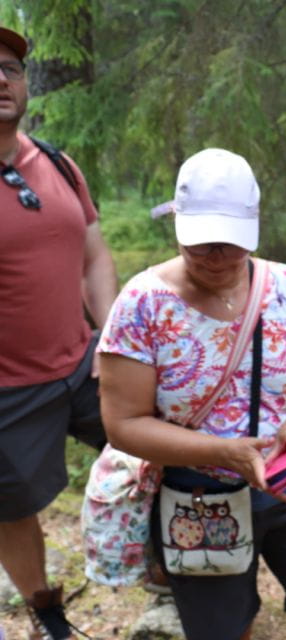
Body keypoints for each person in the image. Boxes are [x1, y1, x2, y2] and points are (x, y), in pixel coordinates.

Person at [95, 148, 286, 639]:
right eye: (201, 242)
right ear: (177, 222)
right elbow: (123, 424)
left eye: (229, 241)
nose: (216, 255)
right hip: (198, 498)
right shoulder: (141, 305)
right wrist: (222, 452)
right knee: (223, 631)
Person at [0, 25, 117, 640]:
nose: (0, 79)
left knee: (159, 452)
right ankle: (48, 615)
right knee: (13, 510)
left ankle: (170, 586)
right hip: (7, 392)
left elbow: (93, 257)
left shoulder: (58, 164)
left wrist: (115, 342)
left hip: (84, 365)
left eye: (10, 68)